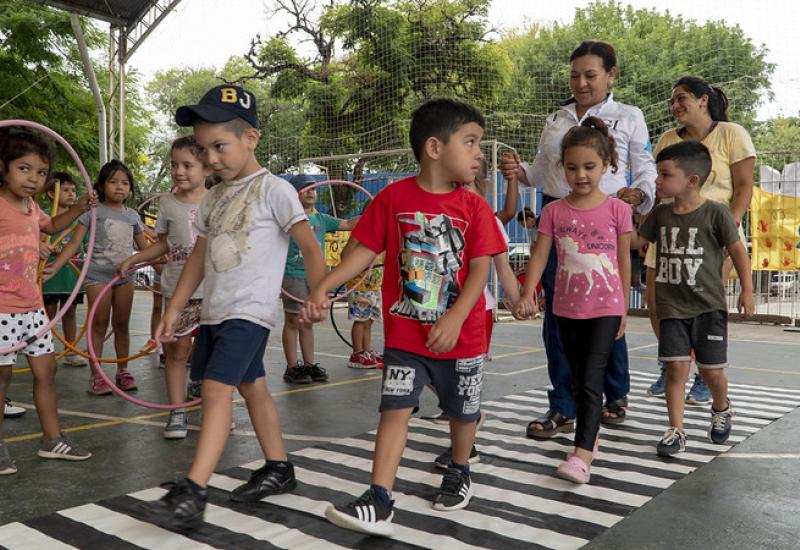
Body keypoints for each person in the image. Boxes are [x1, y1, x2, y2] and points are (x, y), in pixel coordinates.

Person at [301, 98, 506, 537]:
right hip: (406, 337)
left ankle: (459, 466)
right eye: (470, 142)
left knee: (462, 413)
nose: (477, 153)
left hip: (462, 338)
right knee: (394, 410)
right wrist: (325, 285)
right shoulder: (393, 198)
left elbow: (479, 270)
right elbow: (363, 250)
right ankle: (379, 497)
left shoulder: (474, 208)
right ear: (434, 147)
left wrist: (454, 318)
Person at [135, 85, 325, 529]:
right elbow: (199, 258)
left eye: (219, 146)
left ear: (251, 138)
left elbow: (310, 248)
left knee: (215, 391)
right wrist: (173, 308)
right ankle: (279, 468)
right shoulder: (215, 196)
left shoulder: (275, 190)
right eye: (203, 150)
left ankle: (193, 491)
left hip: (249, 311)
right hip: (214, 312)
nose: (211, 158)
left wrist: (318, 293)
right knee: (251, 385)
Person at [501, 40, 655, 437]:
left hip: (608, 219)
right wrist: (517, 171)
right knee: (557, 317)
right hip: (560, 218)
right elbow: (538, 174)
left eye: (590, 75)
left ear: (611, 75)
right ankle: (563, 403)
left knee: (608, 309)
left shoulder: (628, 116)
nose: (581, 83)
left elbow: (645, 168)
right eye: (574, 75)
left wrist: (639, 195)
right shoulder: (556, 118)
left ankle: (615, 394)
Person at [514, 117, 632, 483]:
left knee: (593, 377)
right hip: (566, 309)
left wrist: (624, 307)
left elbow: (624, 260)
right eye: (572, 167)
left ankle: (581, 456)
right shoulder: (553, 212)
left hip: (606, 309)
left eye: (589, 167)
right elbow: (540, 255)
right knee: (580, 379)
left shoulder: (618, 211)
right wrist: (527, 293)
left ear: (607, 165)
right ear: (561, 168)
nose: (580, 175)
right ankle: (589, 435)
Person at [637, 141, 754, 457]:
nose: (658, 181)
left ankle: (721, 407)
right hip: (671, 306)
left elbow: (738, 251)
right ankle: (676, 430)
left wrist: (747, 289)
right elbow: (637, 241)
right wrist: (616, 214)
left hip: (708, 307)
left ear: (692, 180)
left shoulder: (716, 213)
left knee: (711, 371)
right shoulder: (660, 214)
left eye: (665, 175)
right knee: (676, 368)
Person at [644, 77, 756, 404]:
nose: (676, 106)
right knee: (656, 301)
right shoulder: (667, 139)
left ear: (703, 100)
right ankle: (672, 363)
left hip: (711, 234)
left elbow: (744, 186)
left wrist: (729, 227)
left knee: (706, 306)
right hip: (668, 230)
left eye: (682, 98)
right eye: (672, 101)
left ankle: (706, 374)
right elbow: (661, 185)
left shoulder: (732, 134)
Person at [0, 127, 94, 475]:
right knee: (2, 377)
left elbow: (53, 225)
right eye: (23, 169)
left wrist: (82, 205)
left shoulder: (30, 207)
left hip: (32, 306)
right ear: (3, 167)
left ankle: (52, 439)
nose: (33, 179)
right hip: (1, 308)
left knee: (46, 371)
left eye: (40, 173)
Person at [118, 136, 211, 439]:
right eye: (174, 165)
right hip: (178, 290)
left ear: (207, 168)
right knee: (177, 352)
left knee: (214, 351)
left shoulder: (218, 199)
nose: (178, 171)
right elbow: (162, 245)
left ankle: (215, 408)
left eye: (187, 165)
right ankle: (178, 411)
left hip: (214, 290)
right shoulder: (167, 203)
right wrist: (134, 258)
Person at [45, 160, 149, 395]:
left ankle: (123, 371)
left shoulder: (133, 216)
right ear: (101, 185)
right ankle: (97, 375)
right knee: (99, 324)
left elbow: (146, 249)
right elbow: (73, 244)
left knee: (121, 324)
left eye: (124, 183)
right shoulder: (92, 212)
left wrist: (165, 268)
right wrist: (56, 266)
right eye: (113, 182)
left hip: (124, 277)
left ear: (130, 188)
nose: (119, 187)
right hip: (97, 277)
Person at [281, 173, 359, 384]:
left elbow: (350, 224)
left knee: (307, 322)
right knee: (292, 321)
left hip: (315, 278)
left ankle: (308, 364)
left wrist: (375, 211)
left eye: (314, 188)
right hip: (293, 276)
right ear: (294, 194)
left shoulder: (322, 219)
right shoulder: (286, 219)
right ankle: (291, 367)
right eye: (306, 189)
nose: (311, 192)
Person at [41, 172, 88, 367]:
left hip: (71, 278)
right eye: (66, 190)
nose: (72, 194)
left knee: (70, 313)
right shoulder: (45, 218)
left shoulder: (80, 220)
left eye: (74, 191)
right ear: (52, 194)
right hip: (50, 279)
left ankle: (70, 351)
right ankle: (45, 351)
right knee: (48, 314)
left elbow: (83, 244)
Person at [345, 246, 384, 369]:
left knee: (369, 320)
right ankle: (357, 353)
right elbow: (345, 254)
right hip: (360, 287)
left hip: (374, 285)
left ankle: (366, 351)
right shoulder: (360, 233)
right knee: (360, 320)